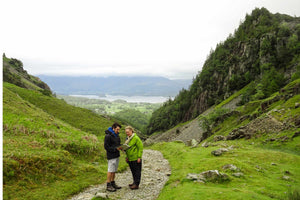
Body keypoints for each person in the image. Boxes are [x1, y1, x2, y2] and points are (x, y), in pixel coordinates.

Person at [104, 122, 122, 192]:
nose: (118, 131)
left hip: (116, 155)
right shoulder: (108, 136)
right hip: (111, 155)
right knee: (110, 170)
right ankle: (108, 185)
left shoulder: (117, 135)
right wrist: (114, 149)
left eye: (119, 129)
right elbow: (106, 147)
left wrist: (121, 147)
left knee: (114, 170)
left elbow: (118, 144)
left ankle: (113, 183)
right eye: (117, 129)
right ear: (113, 128)